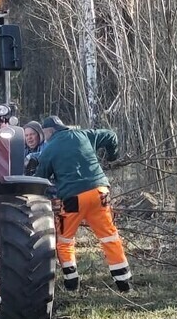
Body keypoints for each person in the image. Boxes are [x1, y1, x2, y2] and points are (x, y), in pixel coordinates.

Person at [36, 115, 131, 293]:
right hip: (99, 192)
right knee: (109, 236)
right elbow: (111, 135)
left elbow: (40, 180)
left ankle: (72, 284)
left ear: (49, 132)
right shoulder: (83, 135)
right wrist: (112, 156)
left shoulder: (49, 150)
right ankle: (123, 281)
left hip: (73, 199)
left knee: (64, 241)